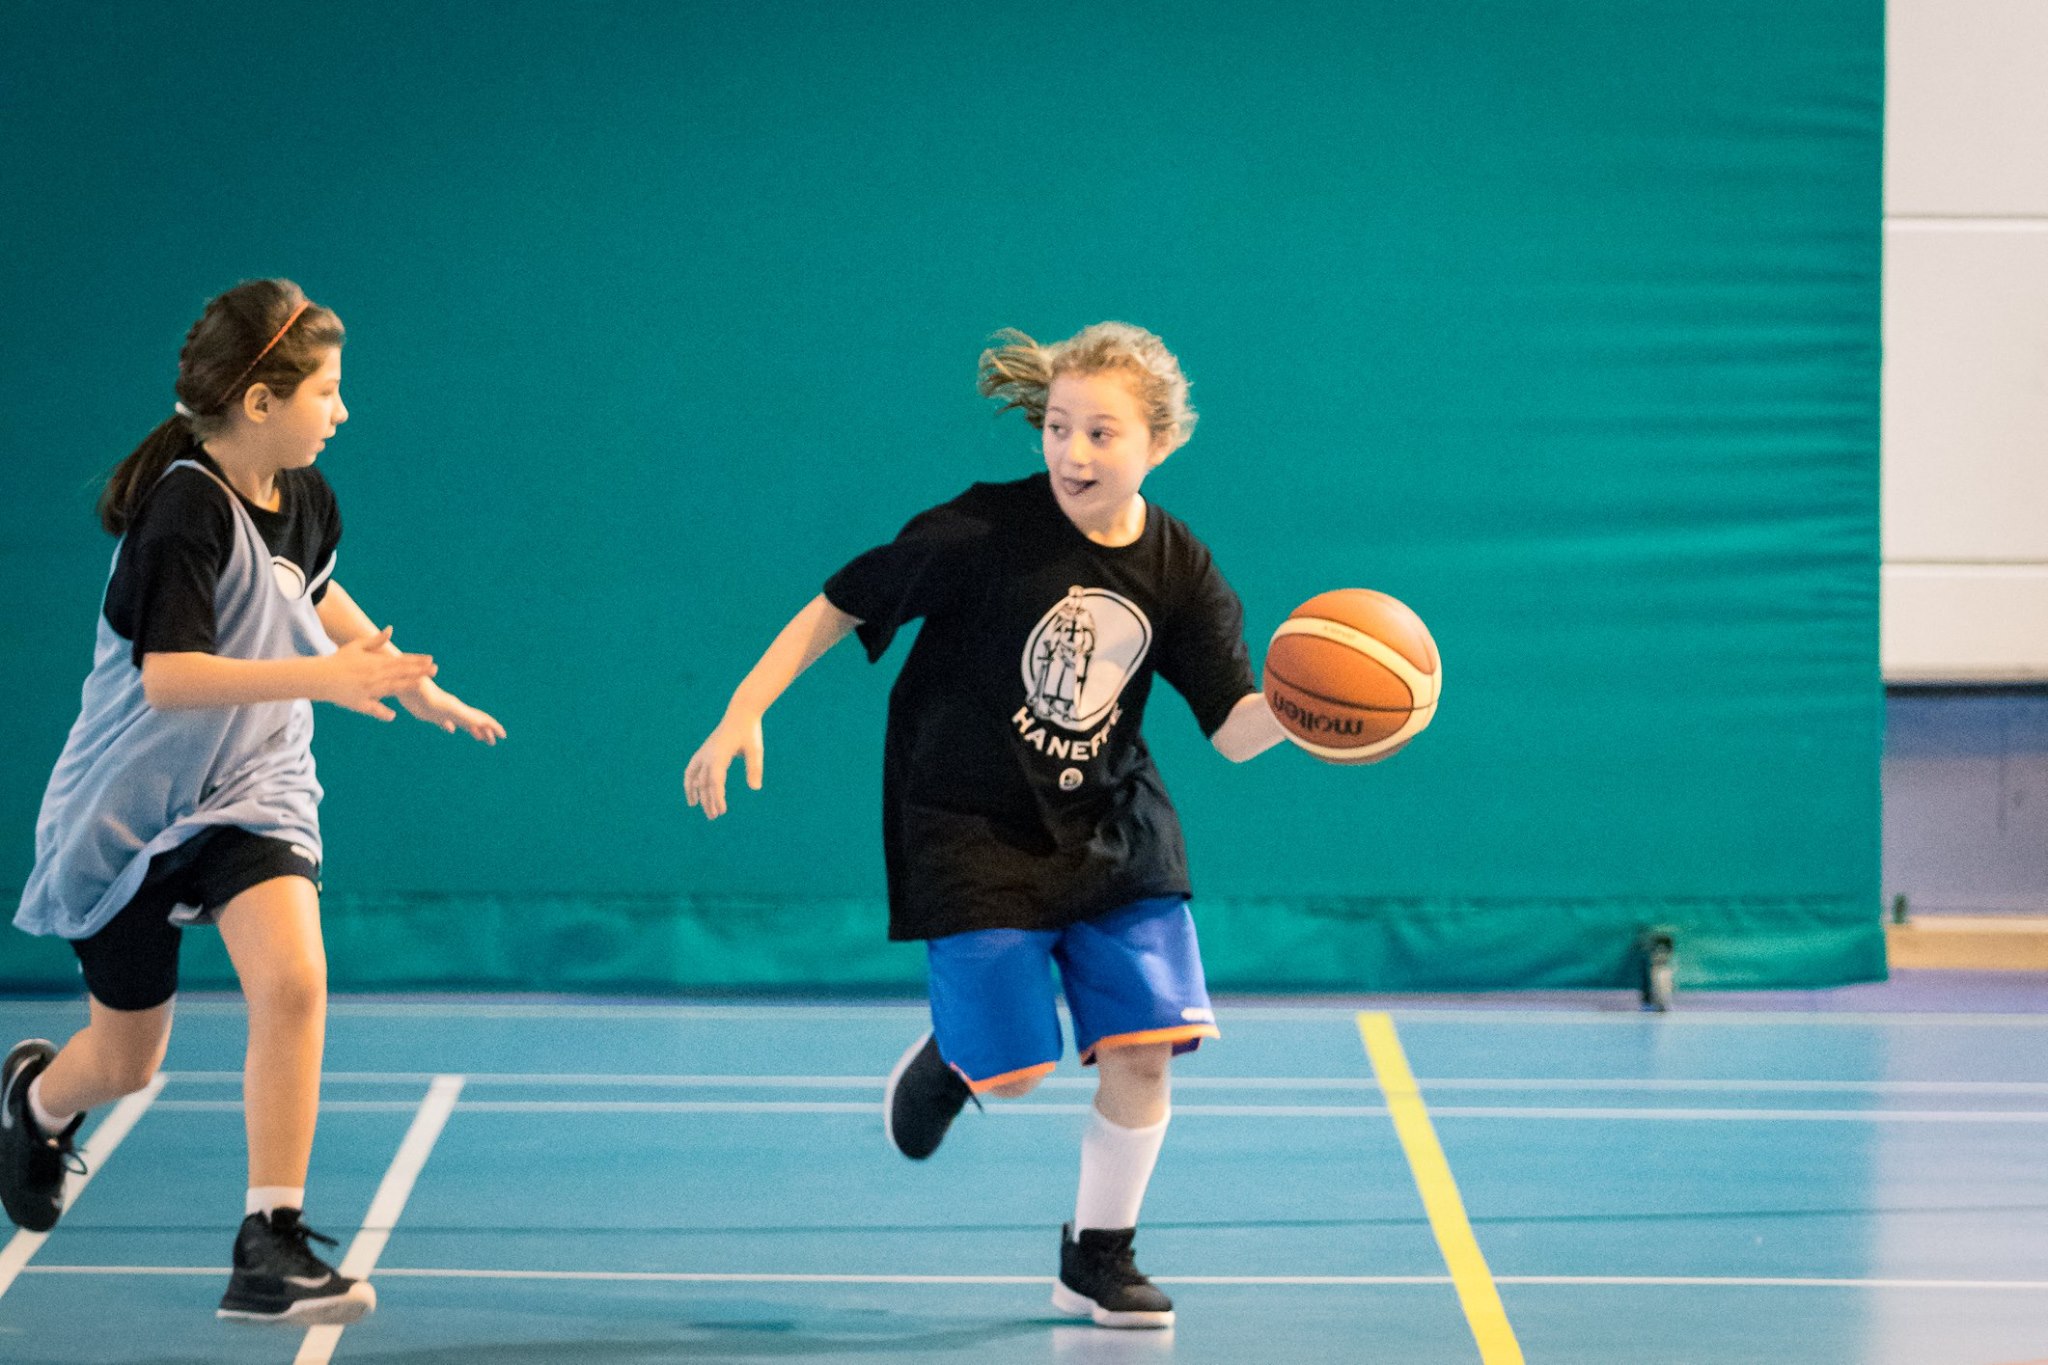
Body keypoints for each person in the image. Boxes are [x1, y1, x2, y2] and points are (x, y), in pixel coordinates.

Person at [684, 322, 1287, 1329]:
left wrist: (1310, 719)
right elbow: (842, 601)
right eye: (1058, 426)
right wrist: (744, 708)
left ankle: (1097, 1256)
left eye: (1101, 432)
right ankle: (955, 1053)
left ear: (1160, 442)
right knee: (1010, 1074)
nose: (1072, 452)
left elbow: (1231, 729)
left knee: (1145, 1045)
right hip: (969, 820)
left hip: (1110, 823)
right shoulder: (980, 531)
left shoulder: (1179, 565)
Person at [0, 279, 504, 1325]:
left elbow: (309, 589)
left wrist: (405, 680)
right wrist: (326, 678)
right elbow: (170, 677)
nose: (343, 411)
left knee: (295, 981)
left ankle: (268, 1242)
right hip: (129, 807)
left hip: (251, 788)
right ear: (260, 401)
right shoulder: (181, 507)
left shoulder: (306, 495)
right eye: (327, 390)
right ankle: (34, 1104)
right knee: (127, 1063)